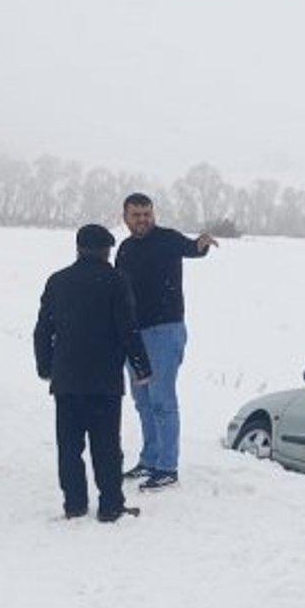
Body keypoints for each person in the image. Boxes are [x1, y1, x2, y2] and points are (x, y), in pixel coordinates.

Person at [34, 224, 152, 522]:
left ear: (78, 247)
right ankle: (111, 505)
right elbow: (128, 329)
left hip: (67, 378)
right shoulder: (115, 281)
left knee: (69, 446)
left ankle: (74, 504)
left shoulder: (57, 281)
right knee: (106, 446)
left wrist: (45, 366)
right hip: (104, 380)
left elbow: (43, 330)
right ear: (106, 250)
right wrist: (141, 366)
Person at [115, 192, 217, 491]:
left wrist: (202, 245)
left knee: (162, 400)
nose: (143, 219)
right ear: (125, 217)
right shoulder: (125, 248)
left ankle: (167, 467)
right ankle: (150, 459)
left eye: (147, 214)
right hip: (134, 334)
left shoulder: (167, 239)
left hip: (165, 331)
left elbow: (192, 248)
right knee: (142, 401)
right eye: (136, 215)